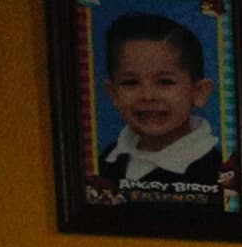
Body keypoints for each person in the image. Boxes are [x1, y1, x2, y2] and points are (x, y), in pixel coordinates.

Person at [95, 12, 223, 193]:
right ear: (113, 94)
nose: (147, 95)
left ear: (199, 92)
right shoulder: (106, 162)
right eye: (131, 82)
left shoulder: (219, 172)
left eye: (165, 82)